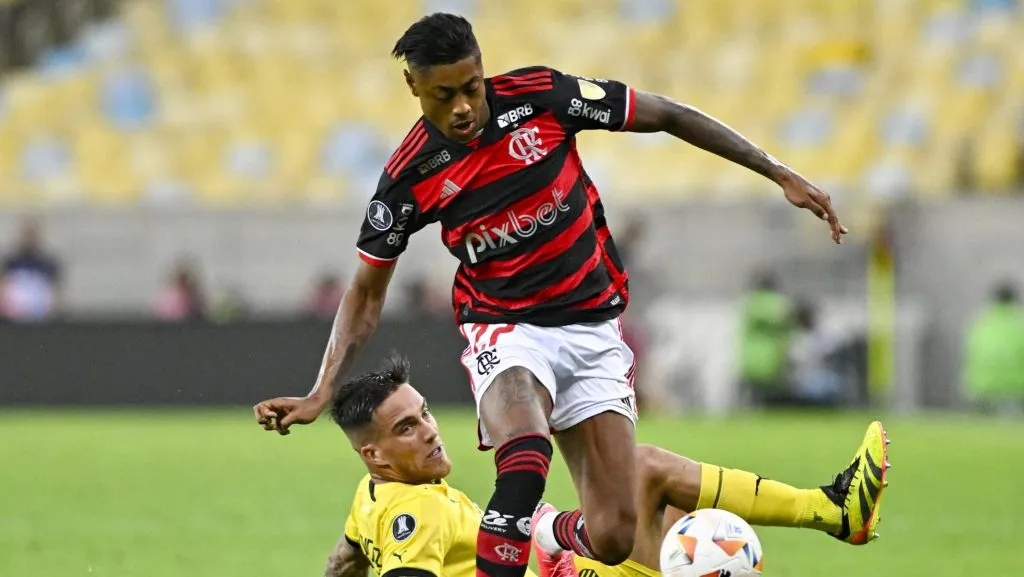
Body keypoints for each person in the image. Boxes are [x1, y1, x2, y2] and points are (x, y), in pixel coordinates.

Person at [253, 13, 850, 577]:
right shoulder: (409, 176)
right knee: (525, 452)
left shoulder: (541, 96)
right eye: (443, 95)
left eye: (472, 86)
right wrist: (320, 390)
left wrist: (780, 173)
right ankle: (523, 528)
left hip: (592, 326)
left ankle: (560, 523)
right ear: (413, 86)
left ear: (483, 68)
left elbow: (666, 114)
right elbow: (365, 292)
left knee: (615, 536)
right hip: (505, 325)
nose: (463, 107)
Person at [321, 356, 889, 577]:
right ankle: (832, 510)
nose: (429, 432)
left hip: (561, 557)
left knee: (646, 493)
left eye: (422, 415)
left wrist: (557, 531)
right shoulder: (416, 510)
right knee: (643, 475)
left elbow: (345, 559)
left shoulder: (371, 494)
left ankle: (835, 511)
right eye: (407, 429)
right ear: (374, 454)